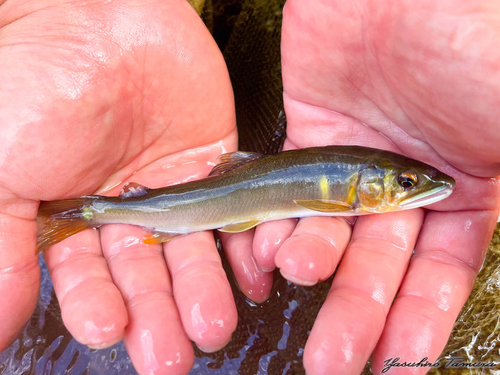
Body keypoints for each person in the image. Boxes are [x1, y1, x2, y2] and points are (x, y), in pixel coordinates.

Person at [0, 0, 498, 374]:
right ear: (360, 187)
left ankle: (86, 213)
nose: (412, 187)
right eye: (404, 183)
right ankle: (83, 212)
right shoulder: (335, 193)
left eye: (405, 182)